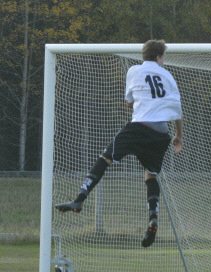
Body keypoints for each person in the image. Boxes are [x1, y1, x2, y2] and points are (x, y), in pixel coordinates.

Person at [55, 39, 184, 248]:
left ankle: (79, 199)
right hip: (161, 134)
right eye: (163, 58)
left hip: (139, 127)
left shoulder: (134, 71)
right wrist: (179, 136)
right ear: (159, 57)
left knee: (106, 157)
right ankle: (153, 217)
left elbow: (129, 103)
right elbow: (177, 109)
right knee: (151, 174)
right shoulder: (168, 76)